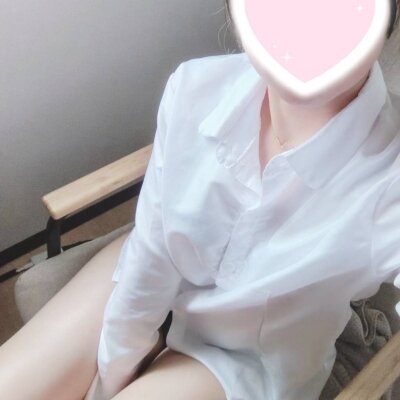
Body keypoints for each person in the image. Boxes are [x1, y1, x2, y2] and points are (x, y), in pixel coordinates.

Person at [1, 1, 400, 399]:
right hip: (152, 276)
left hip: (246, 357)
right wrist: (110, 377)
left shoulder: (388, 177)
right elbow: (151, 255)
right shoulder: (195, 87)